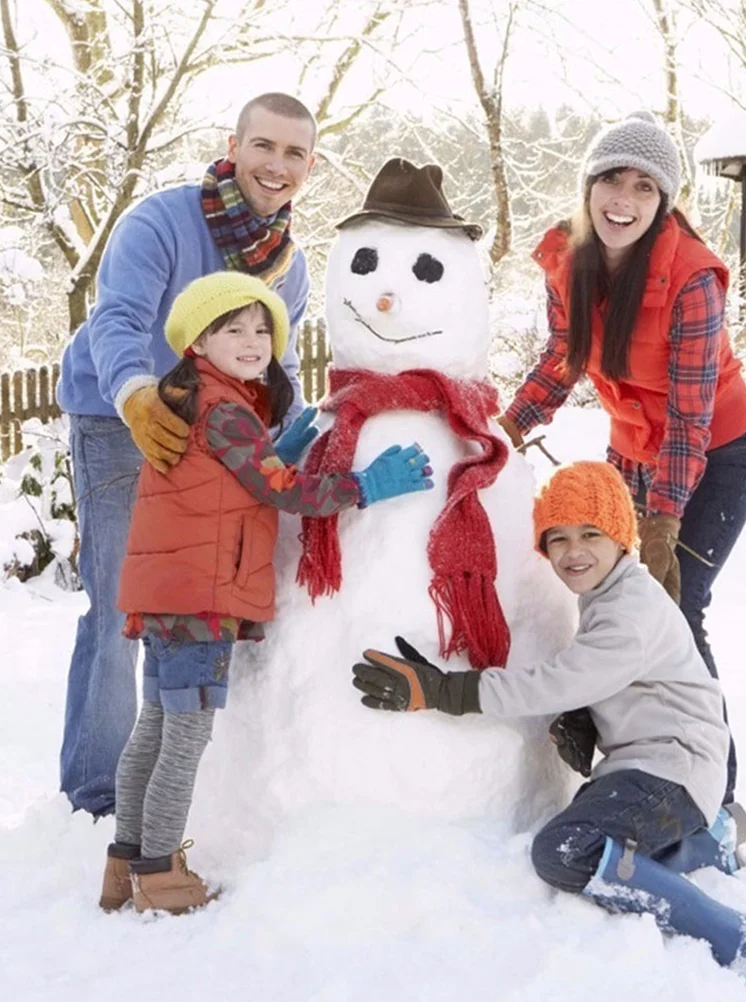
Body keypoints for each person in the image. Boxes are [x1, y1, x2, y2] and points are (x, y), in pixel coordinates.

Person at [98, 271, 435, 914]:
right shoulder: (226, 409)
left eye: (263, 329)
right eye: (234, 329)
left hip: (166, 592)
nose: (253, 341)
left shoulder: (197, 401)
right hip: (203, 599)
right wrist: (367, 485)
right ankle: (162, 875)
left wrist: (276, 446)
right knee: (185, 739)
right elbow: (282, 492)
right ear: (198, 341)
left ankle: (124, 867)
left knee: (153, 731)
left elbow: (224, 482)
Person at [351, 460, 746, 969]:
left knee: (565, 848)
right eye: (557, 538)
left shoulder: (629, 611)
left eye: (590, 534)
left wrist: (445, 691)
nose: (573, 552)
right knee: (598, 827)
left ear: (622, 537)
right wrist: (588, 712)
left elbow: (558, 680)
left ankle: (726, 932)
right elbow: (599, 679)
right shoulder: (611, 592)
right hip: (663, 768)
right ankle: (701, 846)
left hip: (674, 772)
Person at [55, 93, 318, 816]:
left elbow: (270, 370)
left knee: (184, 603)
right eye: (264, 146)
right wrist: (138, 396)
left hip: (211, 436)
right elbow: (118, 320)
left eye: (294, 153)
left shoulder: (289, 271)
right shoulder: (161, 223)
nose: (277, 164)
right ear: (233, 146)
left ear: (309, 166)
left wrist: (304, 433)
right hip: (117, 414)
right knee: (119, 602)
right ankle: (99, 791)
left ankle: (160, 790)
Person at [497, 112, 746, 804]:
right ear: (590, 185)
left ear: (663, 201)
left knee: (677, 605)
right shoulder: (568, 261)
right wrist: (502, 430)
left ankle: (714, 793)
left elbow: (691, 417)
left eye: (644, 187)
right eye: (612, 179)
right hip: (632, 446)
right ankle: (610, 723)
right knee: (607, 594)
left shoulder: (691, 278)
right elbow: (560, 362)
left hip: (719, 450)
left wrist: (662, 522)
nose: (624, 200)